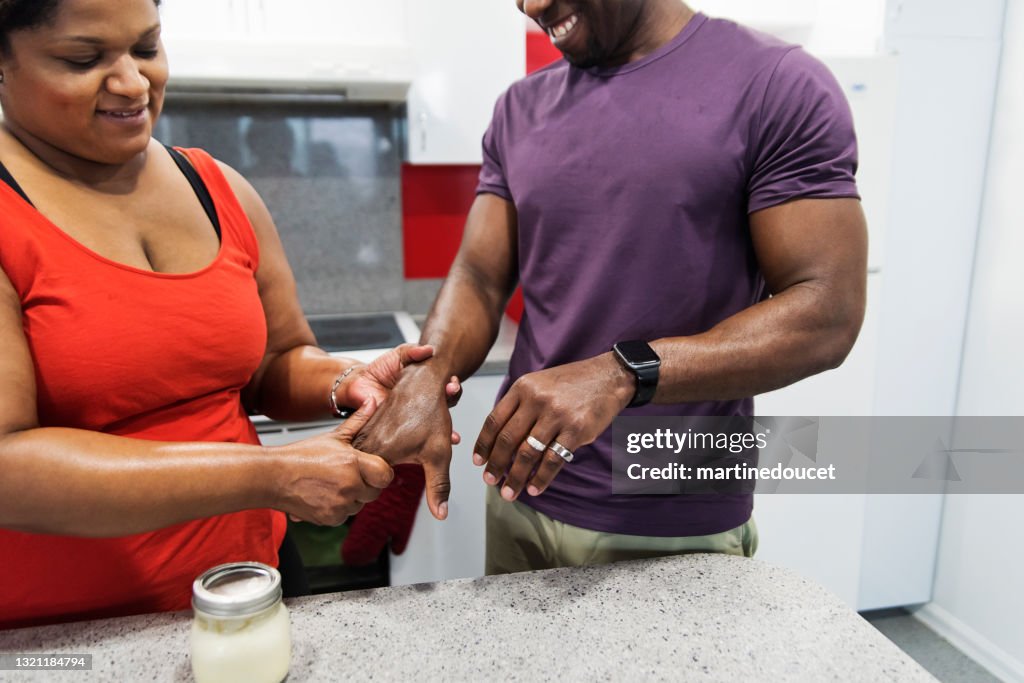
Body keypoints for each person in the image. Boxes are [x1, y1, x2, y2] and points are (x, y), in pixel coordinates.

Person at [357, 0, 868, 574]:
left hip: (669, 513)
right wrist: (428, 373)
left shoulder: (777, 84)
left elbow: (826, 311)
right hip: (517, 493)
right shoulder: (518, 109)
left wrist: (622, 372)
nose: (532, 6)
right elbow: (479, 274)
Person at [0, 0, 456, 628]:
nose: (133, 82)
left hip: (254, 580)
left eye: (147, 48)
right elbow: (8, 466)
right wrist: (271, 474)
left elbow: (277, 360)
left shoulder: (217, 186)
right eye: (84, 59)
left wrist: (345, 382)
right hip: (66, 629)